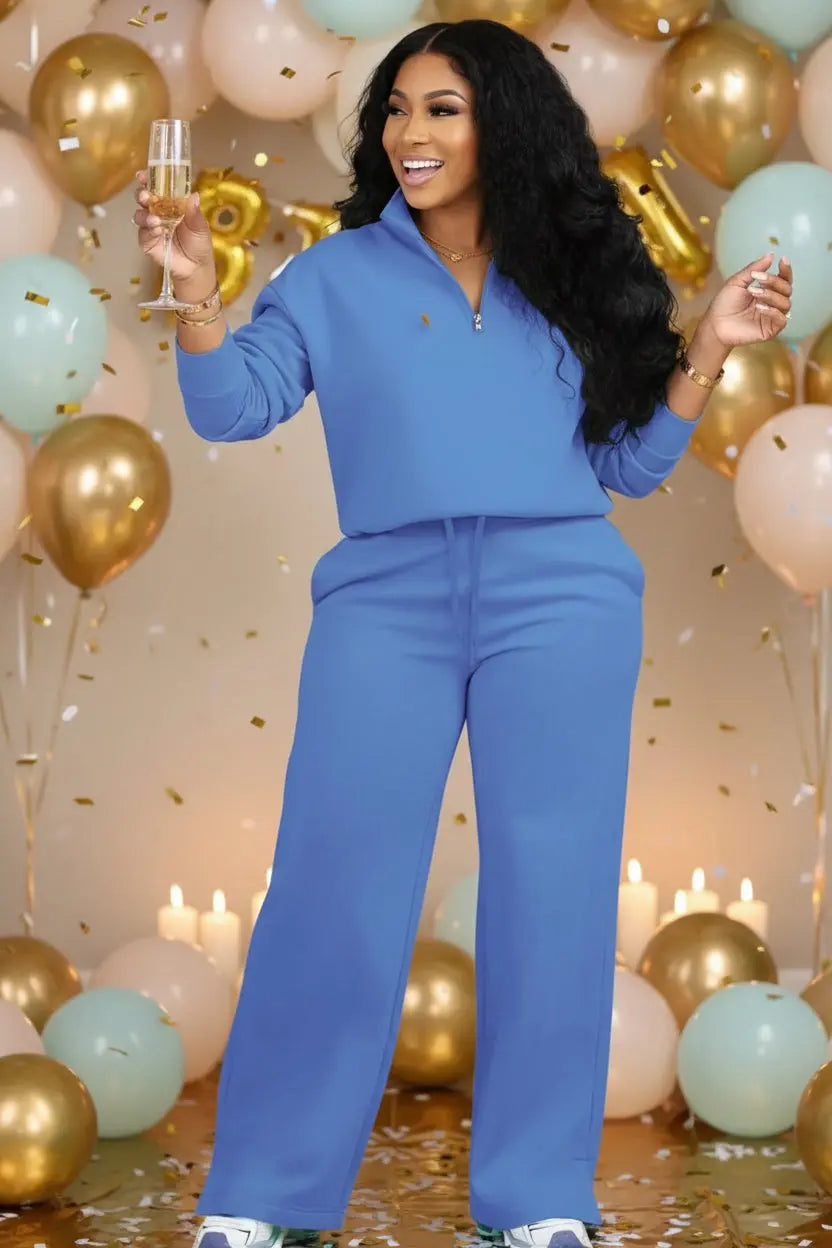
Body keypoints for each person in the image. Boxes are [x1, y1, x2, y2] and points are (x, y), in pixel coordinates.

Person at [133, 18, 791, 1248]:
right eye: (396, 110)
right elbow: (234, 408)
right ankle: (264, 1197)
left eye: (441, 108)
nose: (409, 133)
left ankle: (538, 1200)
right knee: (331, 886)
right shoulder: (330, 275)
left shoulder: (578, 272)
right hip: (385, 596)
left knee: (554, 895)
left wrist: (706, 348)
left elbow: (628, 467)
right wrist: (196, 299)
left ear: (505, 123)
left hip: (563, 593)